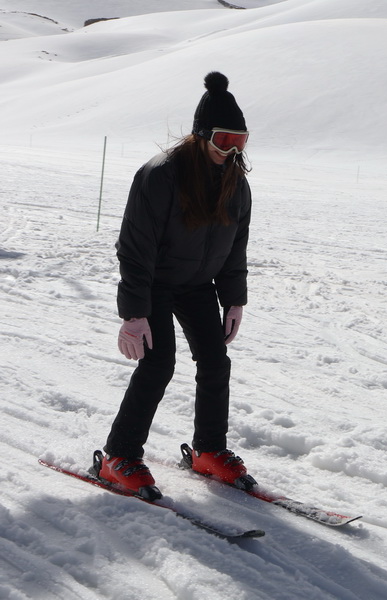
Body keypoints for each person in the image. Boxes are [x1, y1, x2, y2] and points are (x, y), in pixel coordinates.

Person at [98, 72, 253, 499]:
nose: (231, 151)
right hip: (155, 284)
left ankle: (208, 450)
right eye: (224, 140)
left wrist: (234, 299)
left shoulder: (235, 182)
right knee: (158, 364)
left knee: (215, 362)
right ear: (201, 135)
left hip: (198, 285)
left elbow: (235, 245)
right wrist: (134, 313)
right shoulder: (161, 175)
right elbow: (135, 247)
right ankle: (118, 456)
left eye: (240, 142)